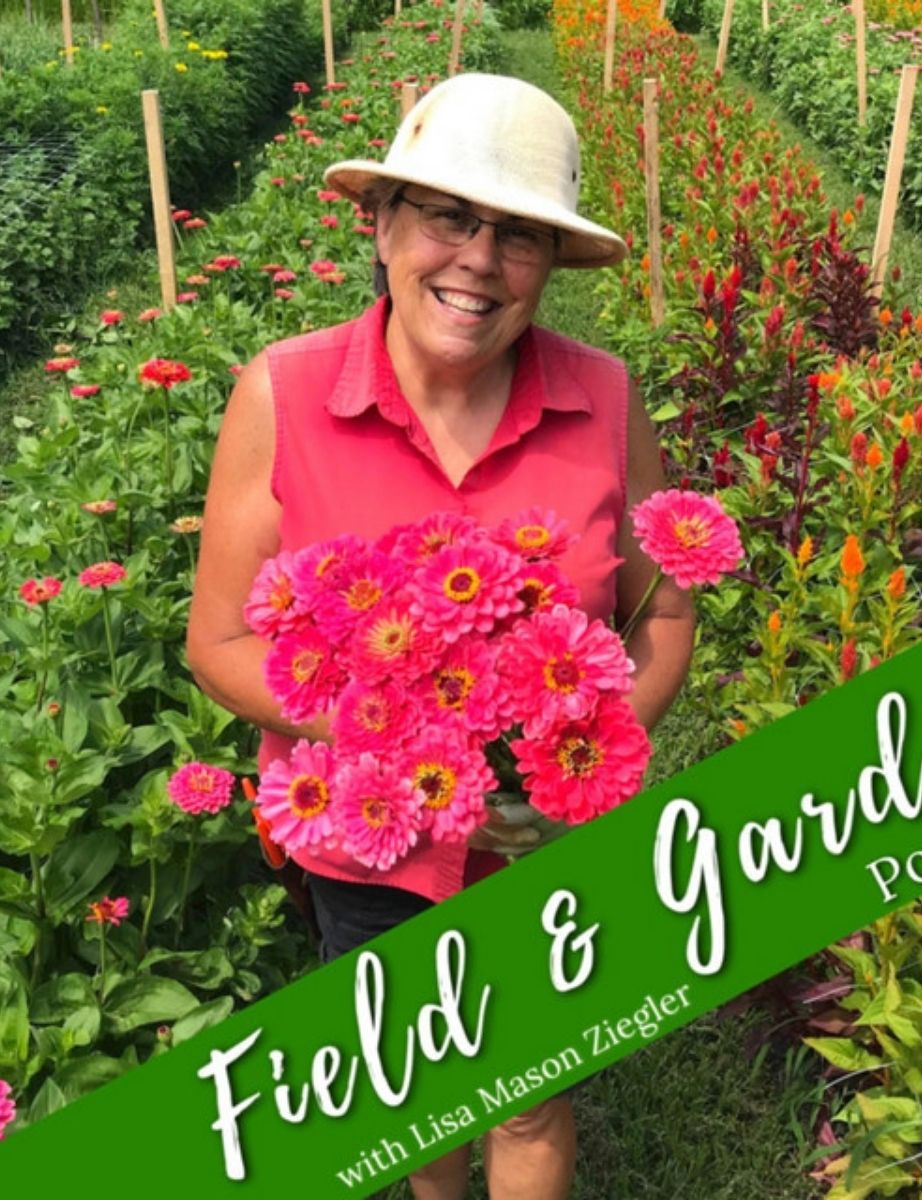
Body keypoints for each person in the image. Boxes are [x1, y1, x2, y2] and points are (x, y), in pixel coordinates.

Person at [186, 72, 695, 1200]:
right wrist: (390, 744)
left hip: (533, 842)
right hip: (366, 842)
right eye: (448, 217)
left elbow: (663, 609)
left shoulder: (605, 399)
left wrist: (582, 767)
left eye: (518, 236)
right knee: (416, 1091)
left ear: (551, 266)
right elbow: (218, 640)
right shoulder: (285, 393)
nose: (477, 260)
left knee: (529, 1090)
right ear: (382, 223)